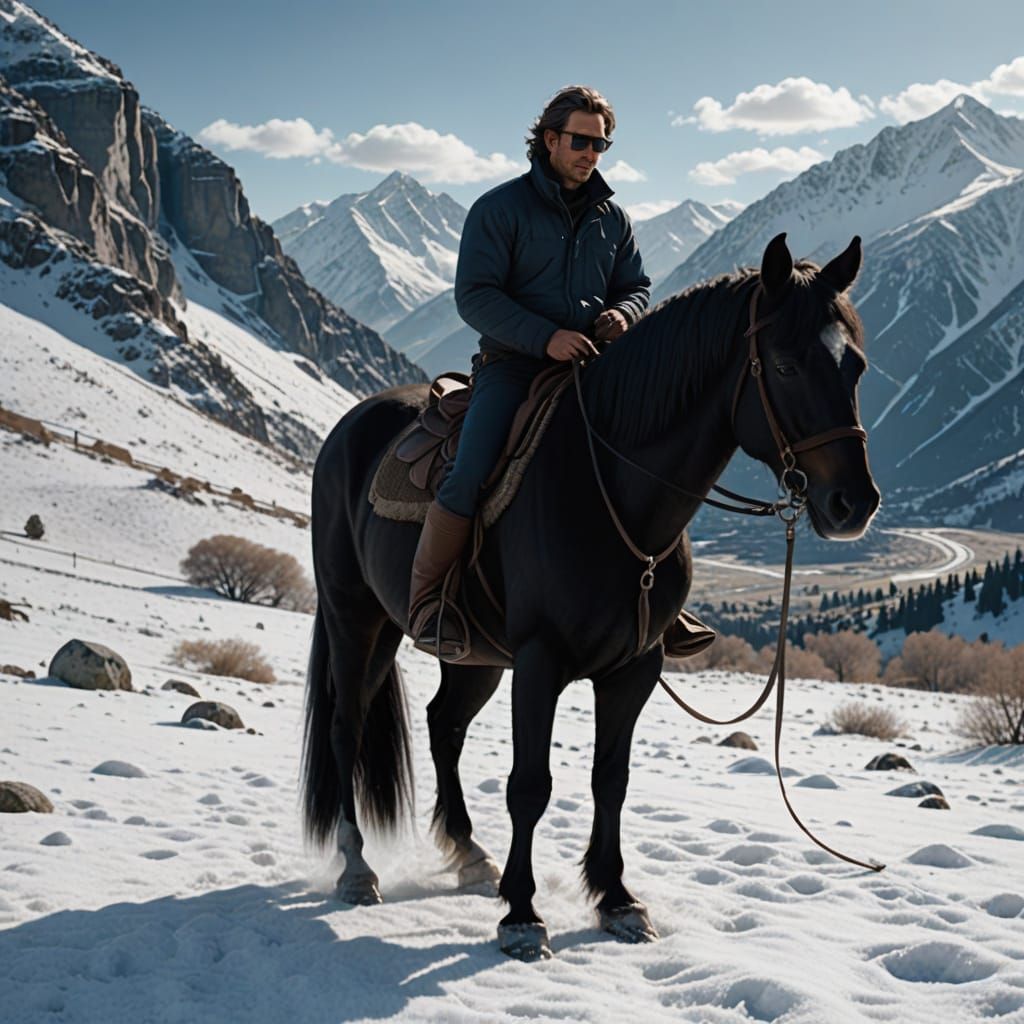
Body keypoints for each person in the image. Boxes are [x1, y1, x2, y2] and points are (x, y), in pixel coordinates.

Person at [408, 84, 714, 662]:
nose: (592, 154)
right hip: (514, 367)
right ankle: (429, 600)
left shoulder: (613, 217)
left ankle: (660, 603)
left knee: (654, 461)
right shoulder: (498, 210)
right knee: (470, 469)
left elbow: (636, 287)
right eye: (581, 141)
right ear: (549, 139)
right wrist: (544, 337)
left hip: (596, 369)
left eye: (601, 144)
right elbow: (474, 296)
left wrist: (623, 314)